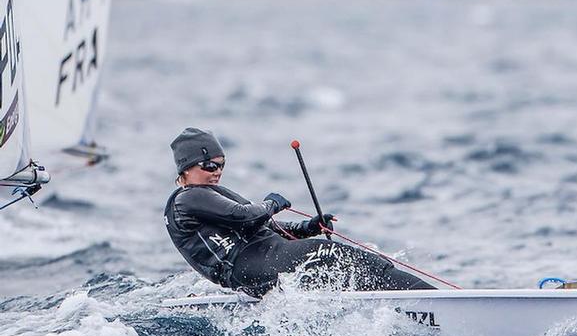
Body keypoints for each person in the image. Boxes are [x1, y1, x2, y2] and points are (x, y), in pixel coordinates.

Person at [164, 127, 435, 297]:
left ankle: (408, 300)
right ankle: (427, 298)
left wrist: (307, 229)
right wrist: (271, 203)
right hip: (250, 265)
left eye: (221, 164)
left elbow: (260, 227)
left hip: (261, 262)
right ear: (186, 168)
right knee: (332, 253)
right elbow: (244, 216)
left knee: (342, 264)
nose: (218, 171)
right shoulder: (187, 198)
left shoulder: (209, 196)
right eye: (209, 165)